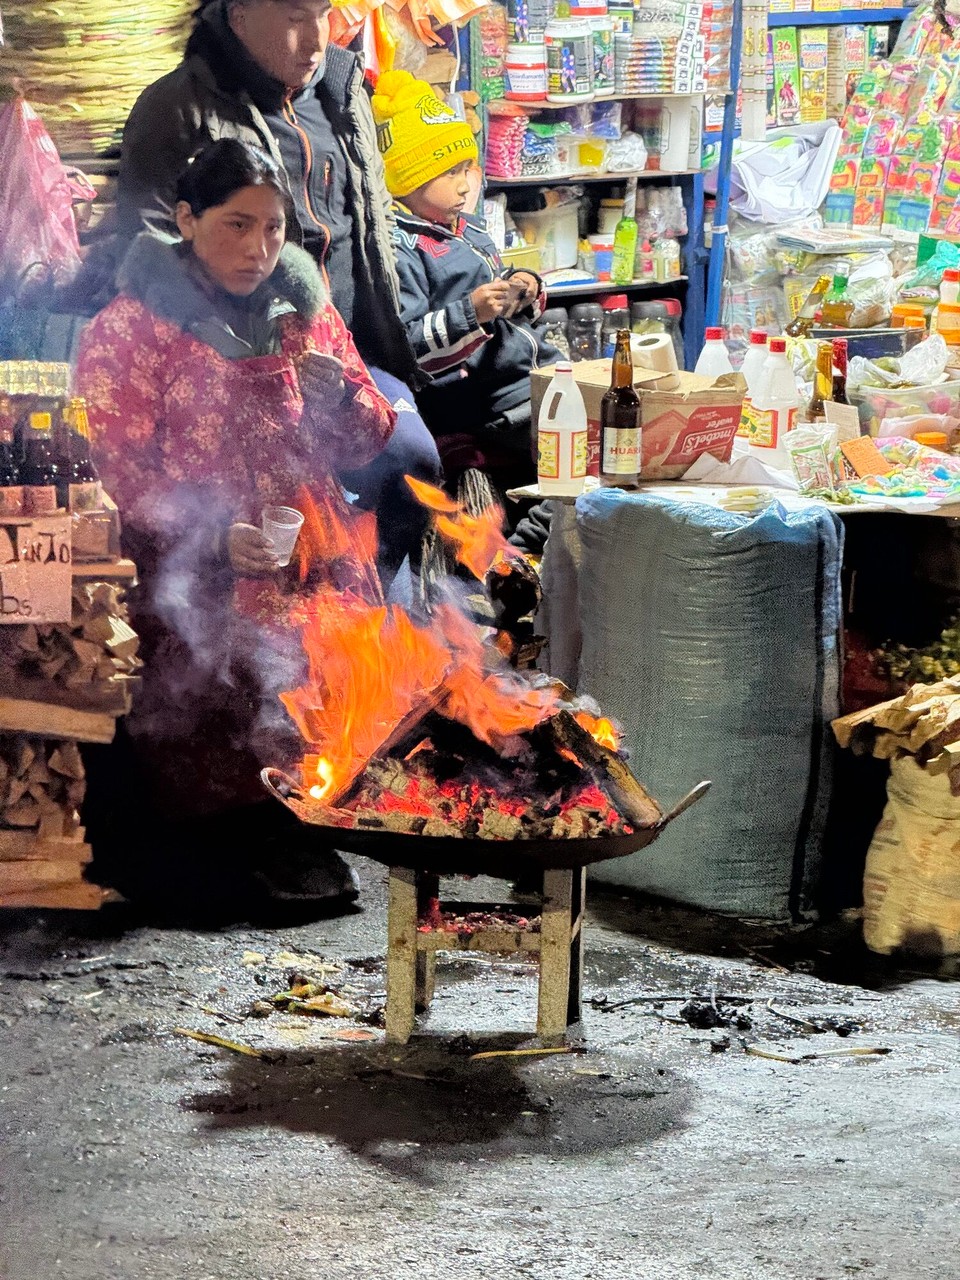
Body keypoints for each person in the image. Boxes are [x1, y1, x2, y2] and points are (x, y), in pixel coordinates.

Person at [74, 139, 396, 909]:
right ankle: (242, 833)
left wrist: (339, 401)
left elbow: (369, 435)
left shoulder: (302, 308)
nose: (258, 250)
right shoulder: (131, 329)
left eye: (275, 229)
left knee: (336, 652)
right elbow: (110, 467)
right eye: (235, 226)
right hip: (185, 559)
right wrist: (214, 540)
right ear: (186, 220)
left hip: (306, 538)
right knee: (227, 666)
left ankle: (306, 822)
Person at [111, 0, 441, 589]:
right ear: (239, 18)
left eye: (322, 12)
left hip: (336, 342)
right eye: (293, 16)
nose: (314, 35)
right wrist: (225, 344)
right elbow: (146, 240)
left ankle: (379, 611)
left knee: (410, 459)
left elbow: (368, 224)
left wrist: (352, 367)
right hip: (216, 347)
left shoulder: (342, 85)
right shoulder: (178, 106)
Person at [370, 70, 560, 541]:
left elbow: (518, 312)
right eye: (447, 173)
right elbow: (408, 348)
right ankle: (519, 554)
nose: (463, 186)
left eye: (466, 170)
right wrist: (469, 314)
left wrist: (523, 286)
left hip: (536, 373)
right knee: (584, 452)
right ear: (408, 180)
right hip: (493, 398)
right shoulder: (401, 250)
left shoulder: (468, 230)